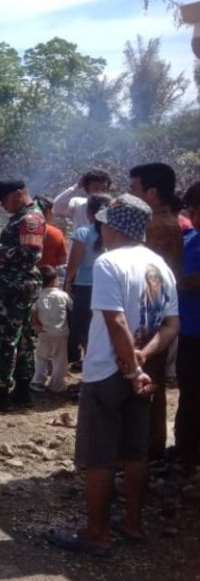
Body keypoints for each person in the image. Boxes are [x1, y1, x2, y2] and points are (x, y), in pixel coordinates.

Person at [46, 194, 179, 556]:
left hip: (109, 371)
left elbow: (114, 319)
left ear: (113, 226)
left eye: (104, 222)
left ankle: (96, 534)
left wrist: (131, 366)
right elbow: (171, 324)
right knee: (135, 452)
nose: (100, 227)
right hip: (144, 375)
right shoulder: (160, 266)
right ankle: (133, 525)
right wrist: (144, 360)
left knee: (99, 455)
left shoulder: (109, 264)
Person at [129, 162, 183, 460]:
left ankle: (145, 448)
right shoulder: (167, 223)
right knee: (153, 382)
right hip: (158, 317)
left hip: (150, 320)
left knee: (144, 381)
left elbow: (152, 277)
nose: (130, 194)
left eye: (134, 189)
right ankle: (151, 445)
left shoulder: (156, 226)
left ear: (151, 193)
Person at [0, 179, 45, 412]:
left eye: (5, 200)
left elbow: (29, 254)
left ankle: (1, 390)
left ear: (19, 194)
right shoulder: (27, 217)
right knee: (22, 340)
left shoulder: (30, 219)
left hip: (15, 288)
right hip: (17, 286)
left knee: (4, 340)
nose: (3, 205)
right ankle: (21, 389)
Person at [64, 194, 112, 373]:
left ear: (89, 212)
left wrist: (68, 281)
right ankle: (98, 363)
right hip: (107, 287)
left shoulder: (83, 233)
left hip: (84, 288)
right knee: (102, 326)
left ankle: (88, 363)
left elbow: (74, 261)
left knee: (85, 328)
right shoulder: (114, 234)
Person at [173, 181, 200, 471]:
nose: (191, 214)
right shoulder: (190, 239)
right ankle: (185, 447)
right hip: (188, 330)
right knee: (189, 388)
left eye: (195, 209)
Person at [30, 265, 72, 395]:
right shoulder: (63, 295)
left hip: (43, 332)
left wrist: (36, 324)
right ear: (55, 280)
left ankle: (38, 381)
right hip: (60, 333)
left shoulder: (38, 295)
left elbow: (33, 312)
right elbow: (71, 307)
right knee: (59, 360)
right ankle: (57, 385)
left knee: (41, 357)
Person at [53, 168, 113, 234]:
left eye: (104, 188)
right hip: (78, 243)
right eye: (96, 188)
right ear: (87, 187)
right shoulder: (78, 203)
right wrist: (77, 187)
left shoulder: (113, 208)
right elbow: (56, 207)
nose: (100, 192)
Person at [35, 195, 68, 270]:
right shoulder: (56, 233)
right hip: (49, 277)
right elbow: (63, 260)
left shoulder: (21, 231)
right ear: (48, 212)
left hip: (27, 278)